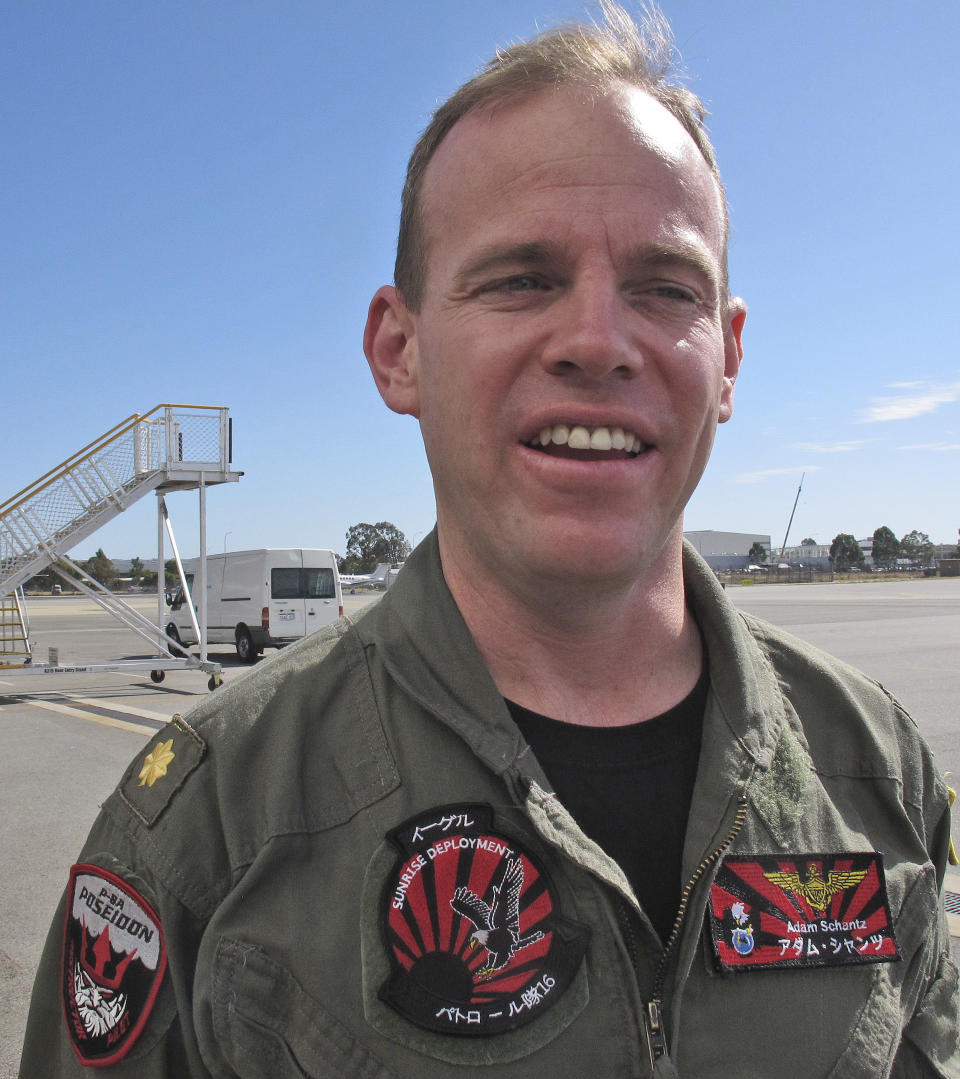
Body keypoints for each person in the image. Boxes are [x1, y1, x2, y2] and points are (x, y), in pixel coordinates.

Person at [20, 5, 959, 1077]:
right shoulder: (208, 826)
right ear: (399, 348)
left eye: (665, 287)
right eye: (521, 279)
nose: (600, 342)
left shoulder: (874, 766)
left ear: (730, 357)